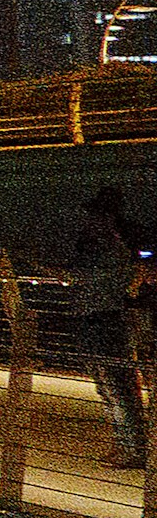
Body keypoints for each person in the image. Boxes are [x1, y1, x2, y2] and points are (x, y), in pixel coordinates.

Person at [71, 185, 149, 470]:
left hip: (105, 319)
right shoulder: (102, 245)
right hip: (96, 317)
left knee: (116, 386)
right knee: (108, 386)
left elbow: (90, 279)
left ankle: (133, 447)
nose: (89, 220)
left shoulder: (111, 248)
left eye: (94, 215)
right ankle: (123, 443)